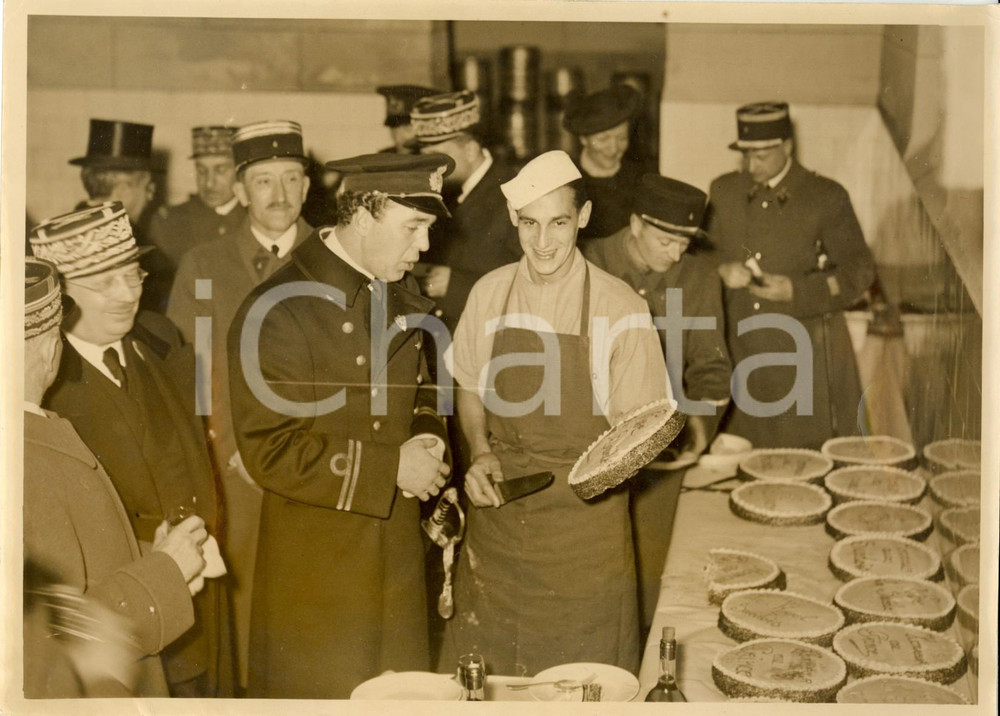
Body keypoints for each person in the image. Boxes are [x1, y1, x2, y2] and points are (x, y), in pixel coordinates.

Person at [227, 152, 455, 699]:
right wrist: (392, 466)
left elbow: (424, 389)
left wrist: (427, 434)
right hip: (318, 578)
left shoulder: (397, 295)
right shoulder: (278, 311)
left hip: (398, 563)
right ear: (363, 214)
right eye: (413, 229)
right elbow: (271, 449)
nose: (423, 248)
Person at [443, 150, 670, 676]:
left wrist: (600, 473)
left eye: (558, 223)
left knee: (579, 679)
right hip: (497, 512)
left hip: (582, 527)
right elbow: (469, 384)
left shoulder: (621, 308)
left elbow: (644, 429)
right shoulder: (488, 292)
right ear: (512, 220)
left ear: (583, 218)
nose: (543, 242)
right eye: (529, 224)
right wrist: (479, 453)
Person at [33, 203, 233, 698]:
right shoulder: (45, 389)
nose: (127, 296)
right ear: (59, 299)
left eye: (133, 276)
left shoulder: (159, 338)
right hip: (129, 621)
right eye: (104, 284)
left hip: (204, 591)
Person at [165, 119, 313, 693]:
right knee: (249, 633)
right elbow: (192, 380)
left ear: (307, 184)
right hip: (238, 476)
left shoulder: (338, 259)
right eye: (264, 181)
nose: (279, 195)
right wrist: (229, 455)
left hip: (322, 475)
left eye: (292, 179)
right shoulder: (204, 266)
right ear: (242, 189)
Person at [583, 174, 732, 636]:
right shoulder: (587, 263)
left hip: (662, 459)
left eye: (685, 243)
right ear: (634, 225)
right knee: (590, 583)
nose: (676, 254)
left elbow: (711, 369)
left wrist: (697, 431)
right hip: (589, 447)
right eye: (667, 241)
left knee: (650, 583)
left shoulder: (699, 276)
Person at [708, 101, 875, 449]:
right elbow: (700, 255)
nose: (751, 165)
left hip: (802, 351)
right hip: (738, 348)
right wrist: (721, 270)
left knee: (800, 454)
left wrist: (797, 290)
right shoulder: (723, 191)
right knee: (739, 452)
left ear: (787, 146)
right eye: (746, 154)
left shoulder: (826, 196)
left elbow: (860, 271)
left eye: (762, 155)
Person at [410, 89, 521, 333]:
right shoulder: (444, 191)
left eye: (436, 157)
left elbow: (534, 283)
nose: (429, 167)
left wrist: (454, 285)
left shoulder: (517, 192)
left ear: (470, 150)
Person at [69, 118, 171, 312]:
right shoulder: (126, 239)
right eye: (148, 188)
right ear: (124, 190)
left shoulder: (69, 229)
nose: (150, 198)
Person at [147, 126, 246, 271]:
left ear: (240, 171)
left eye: (220, 170)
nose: (209, 183)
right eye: (201, 171)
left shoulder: (257, 218)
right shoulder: (170, 223)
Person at [563, 85, 646, 246]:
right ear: (583, 139)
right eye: (603, 139)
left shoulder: (641, 177)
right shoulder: (565, 177)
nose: (614, 149)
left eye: (621, 138)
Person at [376, 84, 439, 154]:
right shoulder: (384, 158)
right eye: (394, 129)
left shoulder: (434, 158)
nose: (398, 137)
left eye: (407, 128)